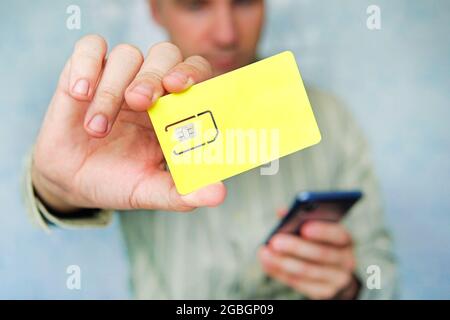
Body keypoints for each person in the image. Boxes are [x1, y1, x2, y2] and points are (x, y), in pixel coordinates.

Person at [24, 0, 397, 299]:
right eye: (196, 5)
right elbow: (54, 194)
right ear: (156, 9)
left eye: (246, 2)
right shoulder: (128, 120)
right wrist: (57, 183)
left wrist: (348, 289)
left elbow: (384, 279)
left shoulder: (330, 118)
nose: (226, 33)